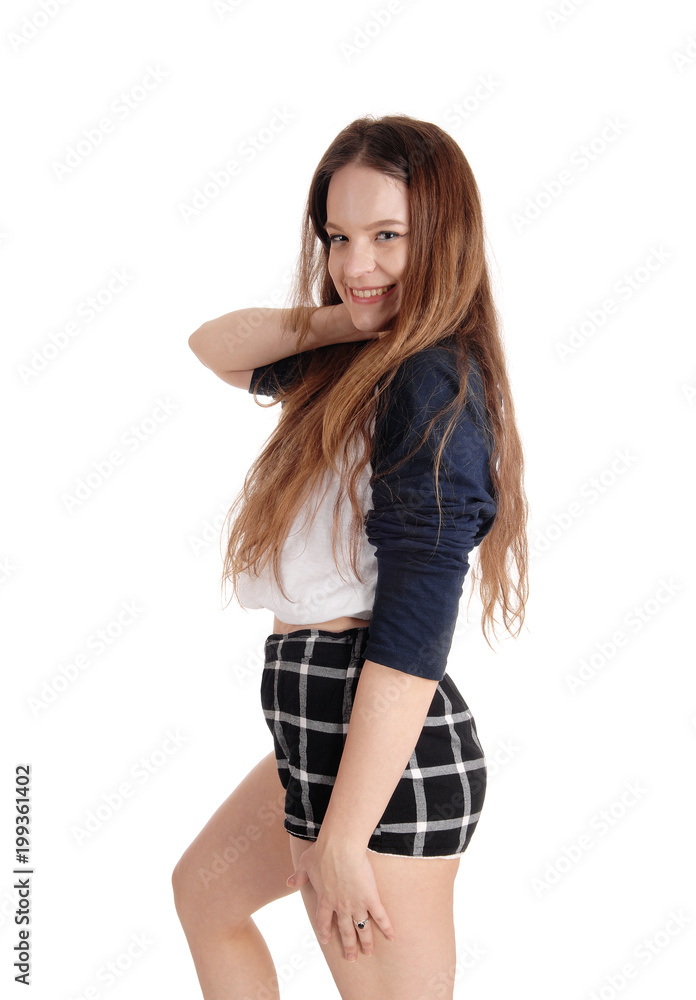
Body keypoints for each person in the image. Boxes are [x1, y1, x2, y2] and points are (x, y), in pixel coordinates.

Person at [172, 113, 528, 1000]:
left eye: (387, 236)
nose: (355, 261)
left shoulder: (430, 381)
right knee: (205, 897)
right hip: (313, 718)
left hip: (379, 754)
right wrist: (349, 315)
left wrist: (342, 837)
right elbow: (213, 346)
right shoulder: (365, 356)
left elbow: (415, 629)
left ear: (442, 235)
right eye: (338, 237)